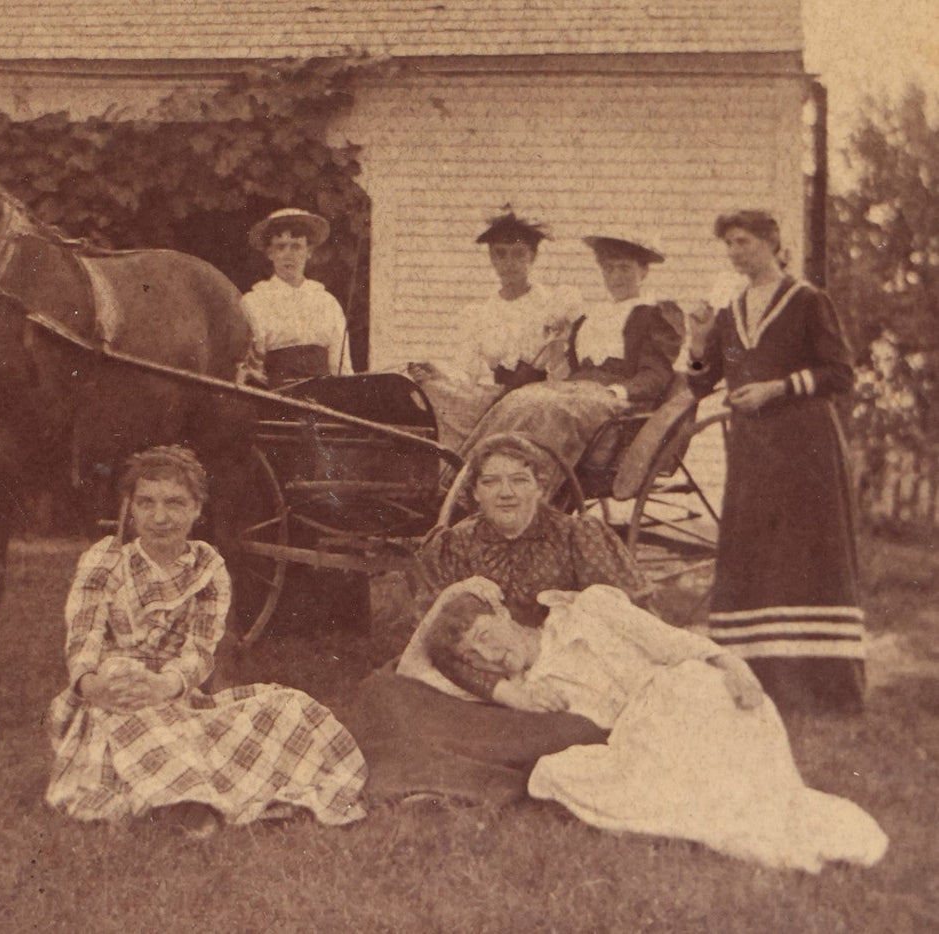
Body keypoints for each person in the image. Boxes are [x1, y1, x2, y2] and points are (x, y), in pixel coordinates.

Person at [447, 584, 888, 872]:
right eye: (474, 657)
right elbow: (418, 668)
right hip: (640, 735)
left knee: (730, 791)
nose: (489, 656)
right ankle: (749, 821)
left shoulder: (589, 610)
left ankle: (768, 826)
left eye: (485, 635)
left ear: (503, 614)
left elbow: (669, 642)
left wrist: (730, 663)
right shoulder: (531, 691)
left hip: (689, 692)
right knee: (557, 771)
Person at [44, 446, 367, 836]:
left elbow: (199, 652)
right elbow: (83, 637)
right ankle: (182, 802)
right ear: (130, 508)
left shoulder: (208, 568)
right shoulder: (104, 560)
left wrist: (166, 685)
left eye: (175, 503)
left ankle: (187, 793)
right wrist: (94, 686)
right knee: (130, 694)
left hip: (175, 694)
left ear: (197, 509)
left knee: (290, 708)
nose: (160, 517)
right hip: (111, 696)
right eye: (146, 503)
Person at [342, 433, 649, 806]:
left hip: (553, 690)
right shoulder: (454, 544)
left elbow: (628, 618)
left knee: (579, 730)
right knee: (380, 694)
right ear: (475, 493)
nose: (507, 493)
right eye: (491, 481)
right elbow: (434, 642)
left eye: (520, 480)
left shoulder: (576, 537)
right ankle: (452, 779)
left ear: (541, 487)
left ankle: (470, 781)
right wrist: (499, 687)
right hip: (464, 687)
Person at [688, 210, 866, 712]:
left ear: (771, 242)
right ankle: (759, 683)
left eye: (742, 242)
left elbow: (841, 373)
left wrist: (777, 387)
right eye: (729, 245)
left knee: (805, 556)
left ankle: (822, 690)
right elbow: (702, 383)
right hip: (752, 454)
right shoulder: (730, 311)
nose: (734, 253)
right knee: (755, 556)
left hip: (805, 448)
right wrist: (699, 343)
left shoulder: (809, 301)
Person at [457, 232, 684, 470]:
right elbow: (571, 366)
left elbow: (656, 375)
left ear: (643, 272)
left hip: (617, 399)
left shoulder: (654, 314)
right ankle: (467, 471)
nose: (616, 277)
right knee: (518, 400)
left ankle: (536, 483)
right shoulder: (593, 316)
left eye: (625, 269)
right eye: (609, 269)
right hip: (580, 390)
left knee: (550, 409)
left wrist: (617, 391)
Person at [408, 207, 584, 448]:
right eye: (501, 254)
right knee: (433, 390)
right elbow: (465, 371)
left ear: (532, 257)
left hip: (540, 399)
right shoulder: (481, 314)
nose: (509, 263)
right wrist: (437, 374)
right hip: (499, 396)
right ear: (491, 258)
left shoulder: (552, 305)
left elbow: (562, 366)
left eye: (518, 254)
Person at [240, 208, 349, 386]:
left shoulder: (327, 302)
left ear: (309, 252)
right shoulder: (254, 301)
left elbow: (341, 367)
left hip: (324, 398)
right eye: (281, 247)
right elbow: (251, 367)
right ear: (270, 253)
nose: (288, 254)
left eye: (296, 246)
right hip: (274, 398)